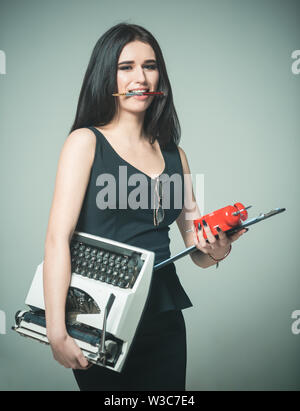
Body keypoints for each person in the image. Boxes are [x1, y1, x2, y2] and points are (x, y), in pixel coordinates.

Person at [43, 22, 247, 391]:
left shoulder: (175, 155)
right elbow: (58, 239)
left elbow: (195, 248)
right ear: (107, 75)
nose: (141, 77)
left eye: (149, 66)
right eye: (127, 67)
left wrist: (219, 248)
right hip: (98, 317)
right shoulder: (85, 142)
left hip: (163, 318)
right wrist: (56, 330)